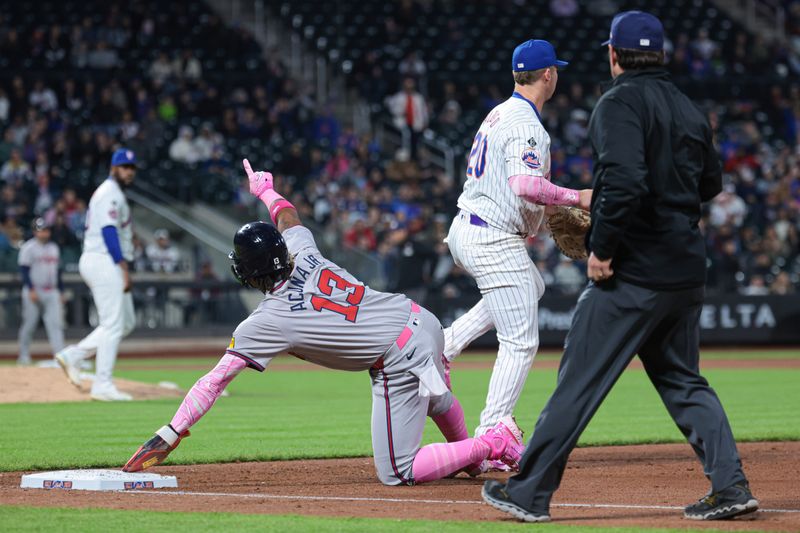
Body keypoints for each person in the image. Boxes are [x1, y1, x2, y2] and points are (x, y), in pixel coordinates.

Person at [482, 11, 758, 522]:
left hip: (635, 266)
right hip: (685, 264)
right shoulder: (689, 108)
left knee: (579, 380)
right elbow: (711, 186)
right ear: (662, 54)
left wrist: (603, 249)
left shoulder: (617, 104)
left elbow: (625, 180)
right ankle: (731, 486)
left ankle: (528, 493)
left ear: (613, 55)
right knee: (682, 380)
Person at [122, 159, 526, 485]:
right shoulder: (301, 248)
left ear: (249, 271)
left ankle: (490, 443)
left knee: (398, 471)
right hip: (421, 319)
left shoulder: (266, 320)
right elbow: (287, 215)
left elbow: (214, 381)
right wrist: (265, 189)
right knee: (435, 398)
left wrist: (171, 433)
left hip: (394, 355)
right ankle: (478, 458)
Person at [442, 39, 590, 472]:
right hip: (491, 237)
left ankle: (446, 345)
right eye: (556, 70)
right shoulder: (526, 123)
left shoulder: (499, 113)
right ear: (549, 75)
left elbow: (515, 191)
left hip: (470, 228)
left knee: (532, 285)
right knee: (521, 340)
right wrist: (577, 197)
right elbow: (524, 186)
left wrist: (549, 212)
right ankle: (493, 435)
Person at [56, 149, 138, 401]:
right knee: (113, 324)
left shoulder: (113, 193)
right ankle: (102, 384)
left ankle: (75, 355)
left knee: (126, 322)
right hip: (104, 260)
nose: (128, 171)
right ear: (113, 168)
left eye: (131, 167)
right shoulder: (108, 193)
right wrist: (122, 267)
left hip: (107, 261)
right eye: (124, 166)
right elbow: (109, 232)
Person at [17, 218, 64, 365]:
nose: (44, 233)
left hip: (52, 291)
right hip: (34, 290)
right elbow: (24, 271)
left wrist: (61, 291)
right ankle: (23, 356)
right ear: (34, 232)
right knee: (29, 325)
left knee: (55, 325)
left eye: (46, 230)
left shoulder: (54, 248)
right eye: (41, 230)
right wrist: (30, 289)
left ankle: (60, 357)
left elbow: (59, 272)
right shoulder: (28, 248)